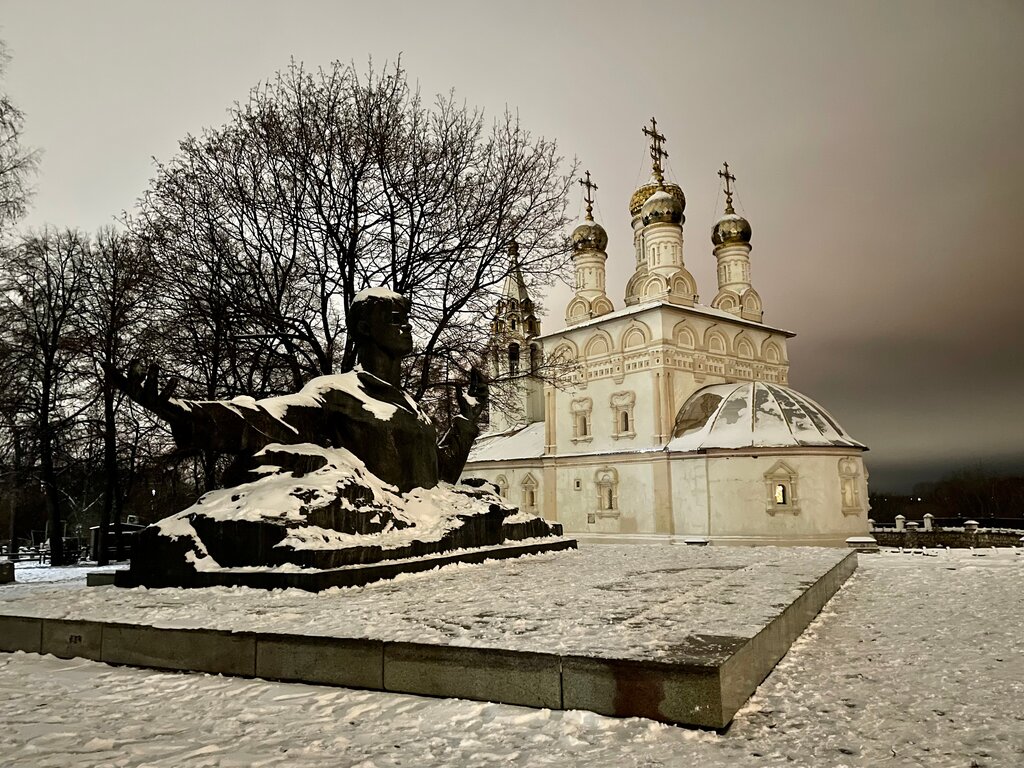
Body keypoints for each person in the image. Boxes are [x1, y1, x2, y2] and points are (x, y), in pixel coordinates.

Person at [109, 288, 487, 493]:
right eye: (394, 318)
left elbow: (436, 481)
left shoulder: (412, 407)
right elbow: (264, 418)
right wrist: (185, 412)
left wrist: (466, 425)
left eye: (407, 318)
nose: (406, 326)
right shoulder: (337, 393)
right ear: (365, 328)